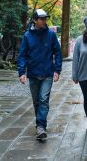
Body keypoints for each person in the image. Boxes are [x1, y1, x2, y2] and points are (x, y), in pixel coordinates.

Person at [17, 9, 62, 140]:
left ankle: (41, 126)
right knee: (36, 101)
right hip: (33, 73)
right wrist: (21, 72)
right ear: (35, 20)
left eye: (45, 19)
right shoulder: (27, 36)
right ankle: (40, 124)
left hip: (47, 72)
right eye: (42, 19)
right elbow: (22, 55)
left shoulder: (51, 35)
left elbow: (57, 53)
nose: (44, 21)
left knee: (43, 100)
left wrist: (57, 70)